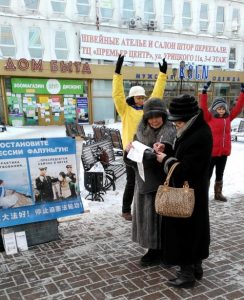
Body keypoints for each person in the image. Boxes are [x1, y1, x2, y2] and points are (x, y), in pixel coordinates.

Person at [155, 94, 213, 288]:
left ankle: (186, 274)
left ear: (188, 117)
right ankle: (195, 268)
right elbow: (184, 155)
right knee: (194, 231)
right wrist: (169, 148)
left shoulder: (199, 134)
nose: (175, 124)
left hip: (187, 193)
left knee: (185, 233)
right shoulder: (192, 129)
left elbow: (186, 169)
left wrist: (165, 160)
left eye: (177, 121)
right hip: (194, 193)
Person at [112, 54, 168, 221]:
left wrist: (162, 74)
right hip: (131, 152)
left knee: (148, 182)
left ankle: (148, 209)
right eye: (139, 97)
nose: (142, 100)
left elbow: (157, 94)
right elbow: (117, 95)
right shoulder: (125, 110)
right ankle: (125, 210)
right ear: (132, 98)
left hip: (147, 152)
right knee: (131, 182)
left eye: (143, 97)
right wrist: (117, 71)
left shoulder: (147, 110)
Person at [124, 98, 176, 266]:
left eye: (157, 116)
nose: (154, 120)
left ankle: (166, 250)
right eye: (150, 117)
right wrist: (129, 152)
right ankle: (152, 250)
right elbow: (130, 161)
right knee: (147, 219)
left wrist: (164, 151)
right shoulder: (139, 132)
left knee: (165, 219)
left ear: (164, 115)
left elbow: (175, 156)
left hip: (164, 183)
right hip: (144, 183)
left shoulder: (171, 132)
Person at [200, 82, 244, 201]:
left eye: (223, 108)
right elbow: (203, 107)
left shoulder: (228, 118)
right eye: (219, 108)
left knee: (220, 174)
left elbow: (238, 107)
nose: (221, 110)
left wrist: (243, 93)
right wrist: (204, 93)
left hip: (223, 152)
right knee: (207, 175)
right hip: (211, 152)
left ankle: (218, 194)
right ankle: (203, 194)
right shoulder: (209, 117)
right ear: (214, 109)